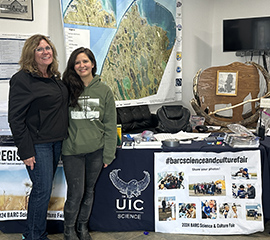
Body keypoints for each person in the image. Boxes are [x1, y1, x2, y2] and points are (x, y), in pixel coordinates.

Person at [8, 34, 69, 240]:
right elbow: (15, 119)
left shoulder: (53, 77)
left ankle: (34, 233)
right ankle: (34, 236)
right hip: (38, 145)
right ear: (30, 54)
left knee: (44, 190)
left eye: (48, 48)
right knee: (42, 191)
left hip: (56, 142)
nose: (46, 52)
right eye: (40, 49)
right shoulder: (22, 80)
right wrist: (26, 151)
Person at [61, 47, 117, 240]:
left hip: (96, 151)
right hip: (72, 151)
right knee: (75, 193)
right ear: (73, 66)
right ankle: (69, 230)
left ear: (93, 63)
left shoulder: (104, 90)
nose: (81, 65)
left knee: (89, 192)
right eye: (77, 62)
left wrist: (108, 153)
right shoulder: (66, 88)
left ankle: (82, 228)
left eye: (85, 61)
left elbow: (110, 124)